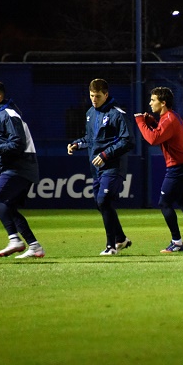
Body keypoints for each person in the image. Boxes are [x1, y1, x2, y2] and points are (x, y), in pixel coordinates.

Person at [0, 81, 45, 259]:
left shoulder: (7, 114)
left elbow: (17, 143)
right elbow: (8, 142)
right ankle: (35, 246)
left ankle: (14, 239)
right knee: (8, 207)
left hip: (20, 167)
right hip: (18, 166)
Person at [134, 86, 183, 252]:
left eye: (153, 100)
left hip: (178, 167)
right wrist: (152, 122)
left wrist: (140, 122)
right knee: (181, 200)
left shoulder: (168, 119)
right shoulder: (172, 117)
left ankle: (176, 243)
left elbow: (153, 139)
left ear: (163, 102)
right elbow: (164, 132)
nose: (150, 103)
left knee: (164, 203)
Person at [68, 79, 135, 256]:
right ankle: (120, 238)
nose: (94, 99)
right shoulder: (90, 112)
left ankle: (111, 246)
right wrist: (77, 144)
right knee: (101, 204)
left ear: (106, 94)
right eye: (91, 96)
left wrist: (106, 154)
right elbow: (90, 139)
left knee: (103, 201)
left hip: (113, 166)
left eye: (97, 96)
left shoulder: (117, 114)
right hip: (97, 168)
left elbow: (128, 141)